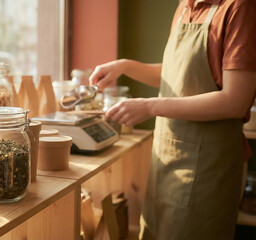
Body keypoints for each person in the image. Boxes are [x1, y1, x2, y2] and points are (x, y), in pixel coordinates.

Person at [89, 0, 256, 239]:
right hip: (166, 162)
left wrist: (150, 106)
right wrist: (124, 66)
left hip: (208, 169)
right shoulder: (185, 7)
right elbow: (175, 73)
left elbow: (235, 100)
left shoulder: (239, 8)